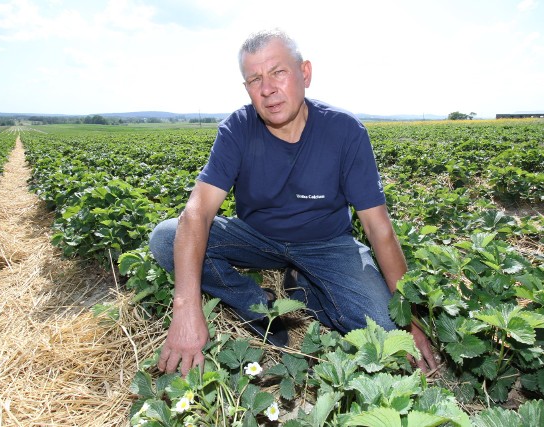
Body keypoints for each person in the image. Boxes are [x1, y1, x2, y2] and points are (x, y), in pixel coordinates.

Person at [149, 29, 437, 376]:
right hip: (258, 238)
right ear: (247, 89)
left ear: (305, 74)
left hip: (327, 243)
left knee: (387, 335)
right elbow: (197, 212)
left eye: (278, 72)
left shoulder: (345, 131)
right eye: (254, 79)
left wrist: (412, 322)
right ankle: (258, 306)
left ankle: (305, 288)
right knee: (166, 238)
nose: (267, 88)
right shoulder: (237, 130)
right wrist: (186, 307)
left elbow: (379, 228)